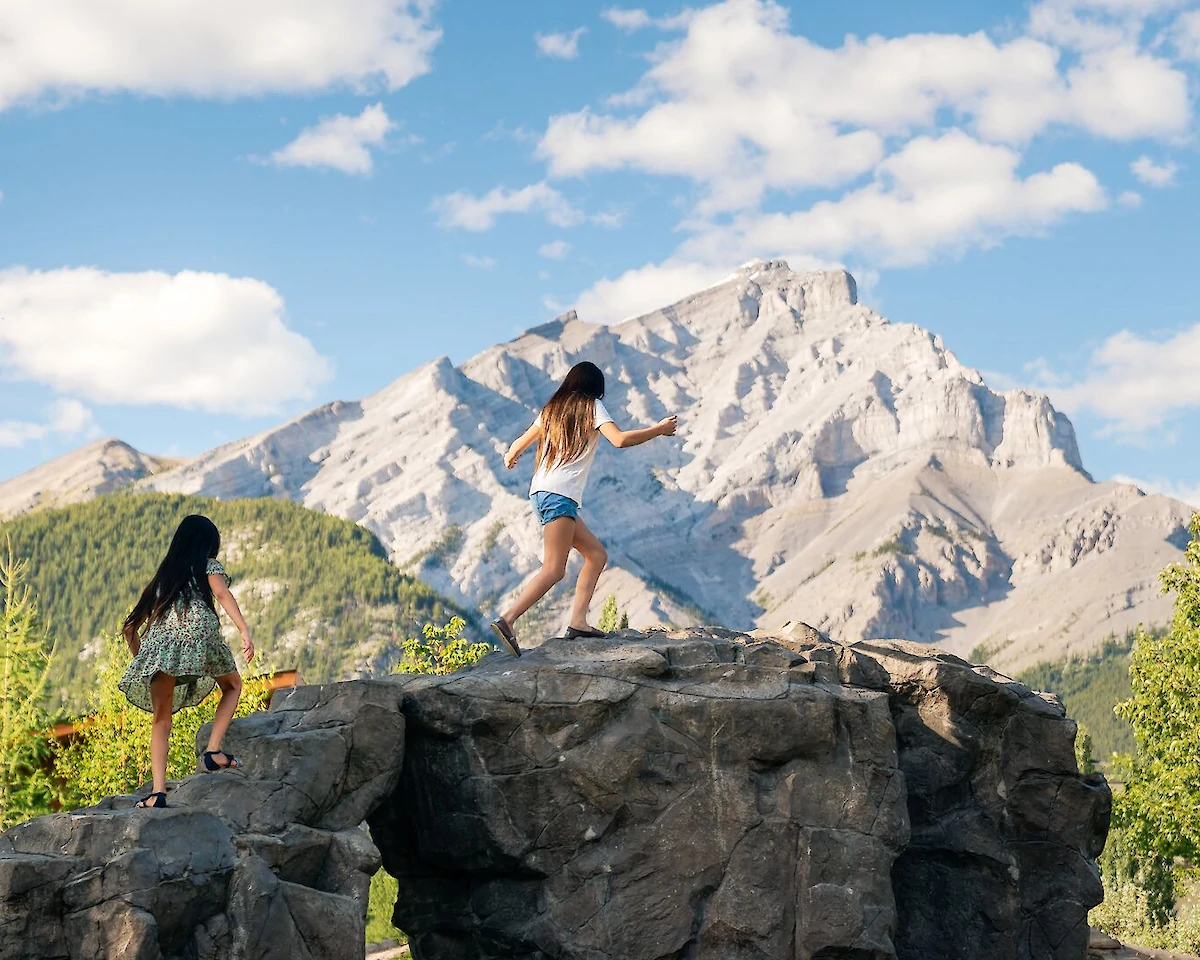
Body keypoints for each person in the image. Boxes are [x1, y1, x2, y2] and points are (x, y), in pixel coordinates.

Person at [491, 361, 677, 655]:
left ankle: (578, 622)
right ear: (594, 388)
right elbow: (619, 440)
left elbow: (517, 445)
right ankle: (507, 620)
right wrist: (658, 429)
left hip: (543, 493)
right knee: (554, 569)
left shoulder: (551, 409)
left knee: (596, 554)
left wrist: (510, 457)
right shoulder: (591, 407)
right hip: (559, 496)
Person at [119, 514, 255, 808]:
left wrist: (146, 661)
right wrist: (244, 629)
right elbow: (221, 592)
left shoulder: (162, 580)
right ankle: (213, 751)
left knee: (161, 720)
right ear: (206, 545)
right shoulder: (208, 565)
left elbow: (129, 628)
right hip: (199, 635)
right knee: (232, 686)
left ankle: (157, 793)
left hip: (161, 646)